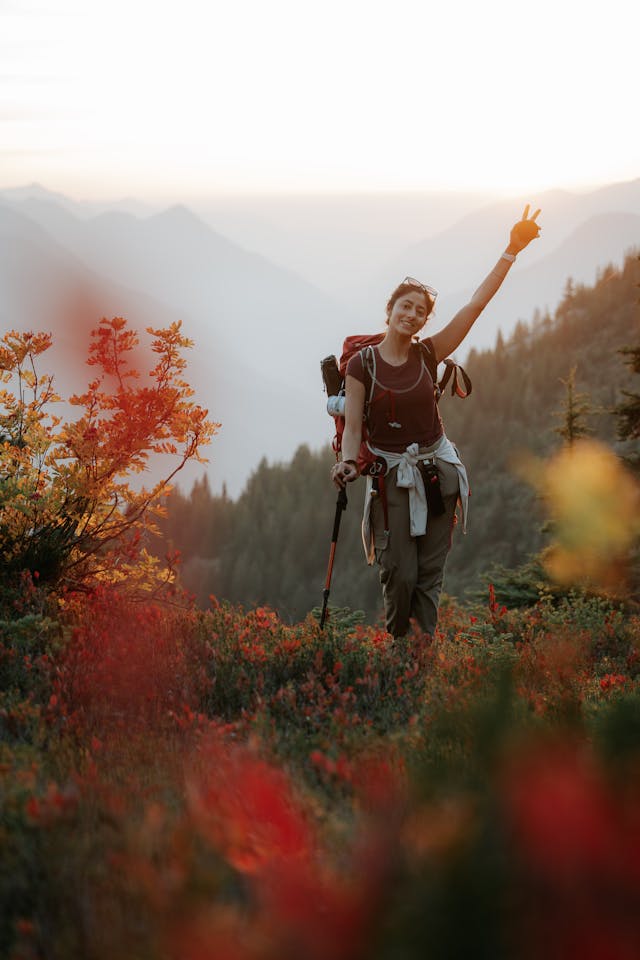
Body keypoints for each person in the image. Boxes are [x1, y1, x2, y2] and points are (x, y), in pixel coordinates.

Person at [330, 205, 542, 639]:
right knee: (399, 572)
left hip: (439, 472)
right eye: (404, 306)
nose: (411, 315)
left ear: (425, 319)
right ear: (389, 310)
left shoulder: (429, 353)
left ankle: (418, 662)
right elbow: (353, 428)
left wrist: (511, 250)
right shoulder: (362, 366)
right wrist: (348, 464)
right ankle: (397, 650)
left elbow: (476, 305)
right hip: (391, 476)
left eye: (420, 311)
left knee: (429, 577)